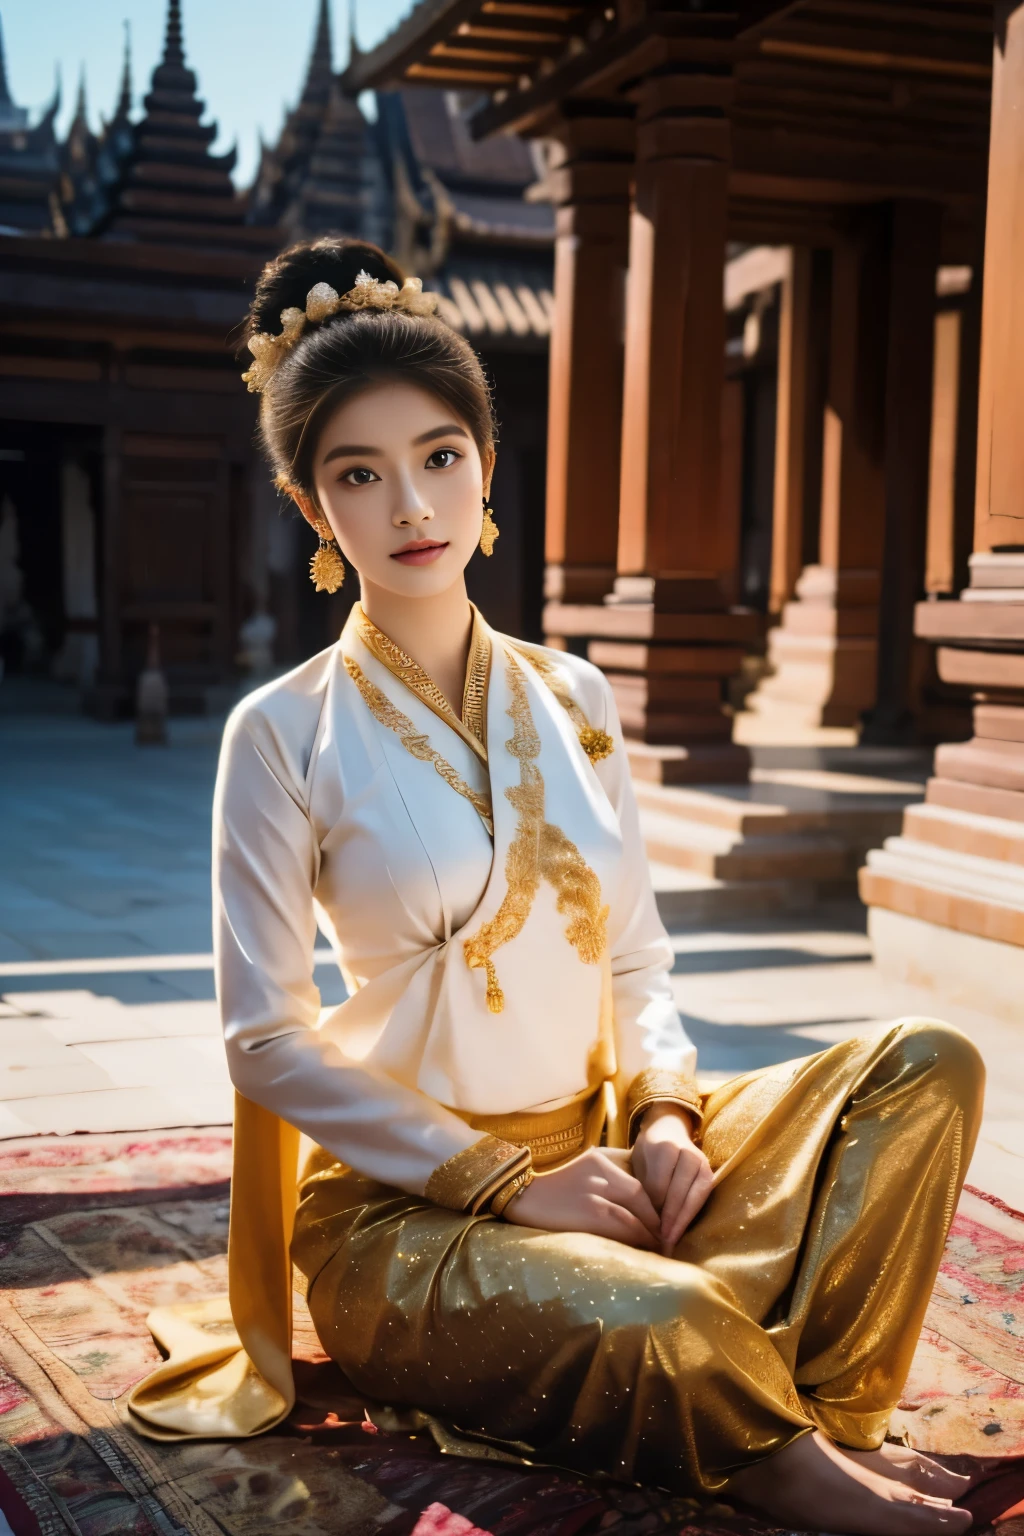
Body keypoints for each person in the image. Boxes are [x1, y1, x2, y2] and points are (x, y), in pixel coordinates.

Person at [128, 237, 984, 1535]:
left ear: (485, 470)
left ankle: (800, 1413)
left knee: (928, 1063)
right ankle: (779, 1450)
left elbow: (634, 955)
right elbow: (264, 1041)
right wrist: (498, 1180)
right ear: (315, 512)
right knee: (675, 1308)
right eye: (360, 475)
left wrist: (669, 1119)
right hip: (406, 1221)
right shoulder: (282, 733)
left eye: (439, 457)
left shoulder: (573, 696)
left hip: (598, 1147)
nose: (412, 505)